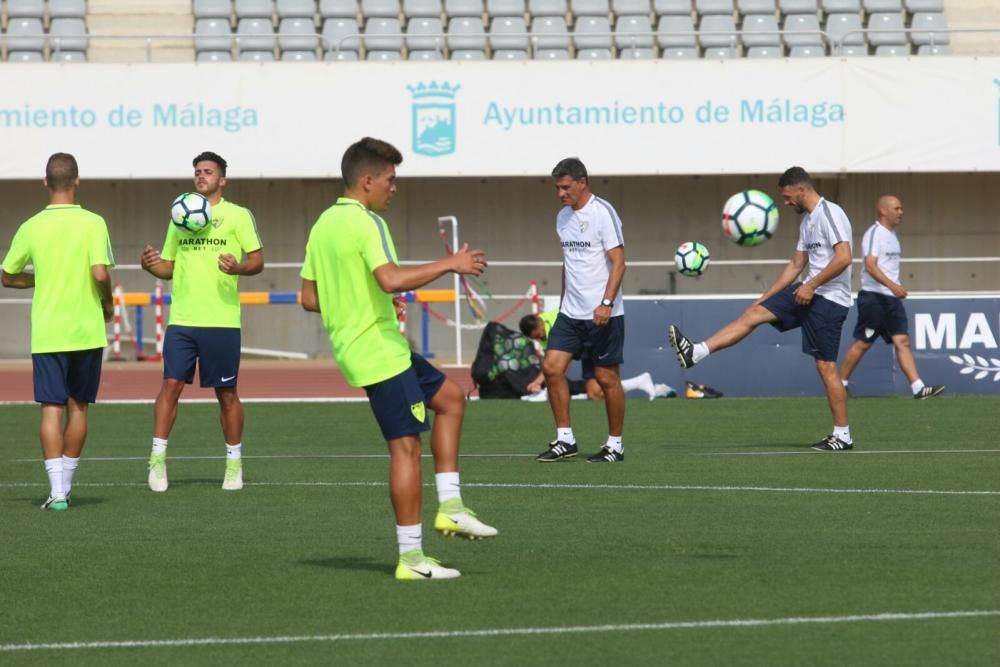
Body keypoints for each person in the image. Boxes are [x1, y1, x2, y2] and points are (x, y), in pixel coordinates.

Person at [300, 137, 497, 581]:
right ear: (367, 181)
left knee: (450, 399)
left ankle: (450, 506)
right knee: (406, 447)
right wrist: (450, 263)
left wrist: (363, 300)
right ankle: (411, 559)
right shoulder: (365, 223)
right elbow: (389, 279)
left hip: (374, 344)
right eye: (390, 180)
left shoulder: (322, 225)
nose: (395, 187)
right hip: (377, 351)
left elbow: (309, 297)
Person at [668, 166, 856, 451]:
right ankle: (696, 351)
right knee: (754, 313)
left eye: (787, 196)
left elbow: (844, 258)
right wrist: (765, 297)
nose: (785, 202)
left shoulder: (831, 213)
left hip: (829, 299)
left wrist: (811, 285)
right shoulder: (807, 223)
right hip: (808, 291)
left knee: (826, 366)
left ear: (801, 189)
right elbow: (795, 265)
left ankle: (842, 435)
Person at [141, 151, 263, 492]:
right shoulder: (179, 214)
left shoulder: (238, 216)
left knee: (227, 394)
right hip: (182, 319)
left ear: (222, 179)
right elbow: (168, 266)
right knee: (170, 386)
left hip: (221, 321)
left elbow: (258, 260)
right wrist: (151, 265)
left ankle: (234, 463)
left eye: (208, 172)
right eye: (197, 171)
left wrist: (238, 267)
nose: (201, 176)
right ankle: (158, 461)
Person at [1, 153, 115, 511]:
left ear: (45, 182)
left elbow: (6, 275)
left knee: (51, 408)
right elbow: (99, 273)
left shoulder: (31, 225)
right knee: (78, 407)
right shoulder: (94, 222)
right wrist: (109, 304)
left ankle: (58, 492)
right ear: (77, 181)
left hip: (49, 332)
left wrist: (40, 278)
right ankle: (65, 486)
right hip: (86, 330)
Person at [536, 158, 628, 463]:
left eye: (565, 187)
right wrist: (563, 303)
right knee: (551, 368)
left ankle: (615, 444)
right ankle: (565, 439)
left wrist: (606, 303)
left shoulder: (603, 212)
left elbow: (619, 261)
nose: (561, 193)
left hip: (603, 314)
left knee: (606, 379)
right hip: (570, 313)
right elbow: (569, 264)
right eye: (558, 188)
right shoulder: (562, 218)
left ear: (582, 182)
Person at [840, 196, 945, 399]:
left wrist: (893, 290)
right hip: (874, 298)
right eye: (897, 208)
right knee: (863, 343)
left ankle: (918, 388)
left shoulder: (892, 235)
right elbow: (870, 265)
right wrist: (893, 286)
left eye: (901, 208)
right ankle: (839, 383)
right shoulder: (874, 234)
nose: (901, 212)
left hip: (891, 300)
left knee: (902, 341)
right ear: (883, 211)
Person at [519, 310, 672, 401]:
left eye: (539, 335)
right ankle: (640, 382)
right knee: (594, 394)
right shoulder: (543, 333)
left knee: (605, 383)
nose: (540, 339)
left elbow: (562, 364)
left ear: (539, 324)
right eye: (536, 338)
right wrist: (538, 382)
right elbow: (550, 363)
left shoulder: (553, 325)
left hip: (594, 339)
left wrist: (550, 390)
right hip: (583, 348)